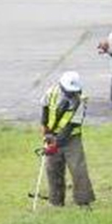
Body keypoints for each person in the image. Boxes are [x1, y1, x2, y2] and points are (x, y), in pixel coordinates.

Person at [40, 71, 94, 207]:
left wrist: (55, 143)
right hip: (52, 134)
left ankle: (83, 201)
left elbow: (71, 125)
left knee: (78, 169)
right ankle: (56, 201)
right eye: (68, 91)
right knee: (52, 168)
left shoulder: (81, 100)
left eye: (73, 91)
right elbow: (45, 109)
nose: (71, 94)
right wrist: (45, 129)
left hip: (71, 138)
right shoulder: (51, 92)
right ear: (61, 86)